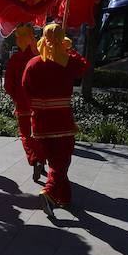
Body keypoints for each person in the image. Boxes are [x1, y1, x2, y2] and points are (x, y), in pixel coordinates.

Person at [22, 23, 89, 216]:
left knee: (56, 162)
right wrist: (69, 51)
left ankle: (65, 198)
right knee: (61, 163)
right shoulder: (67, 62)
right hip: (63, 122)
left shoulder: (33, 63)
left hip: (41, 124)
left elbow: (25, 90)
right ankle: (50, 192)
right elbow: (83, 66)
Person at [4, 24, 45, 182]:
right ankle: (41, 157)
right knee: (40, 134)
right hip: (40, 104)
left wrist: (16, 96)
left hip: (22, 103)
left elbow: (8, 84)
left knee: (26, 135)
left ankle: (34, 159)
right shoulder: (41, 57)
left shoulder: (15, 59)